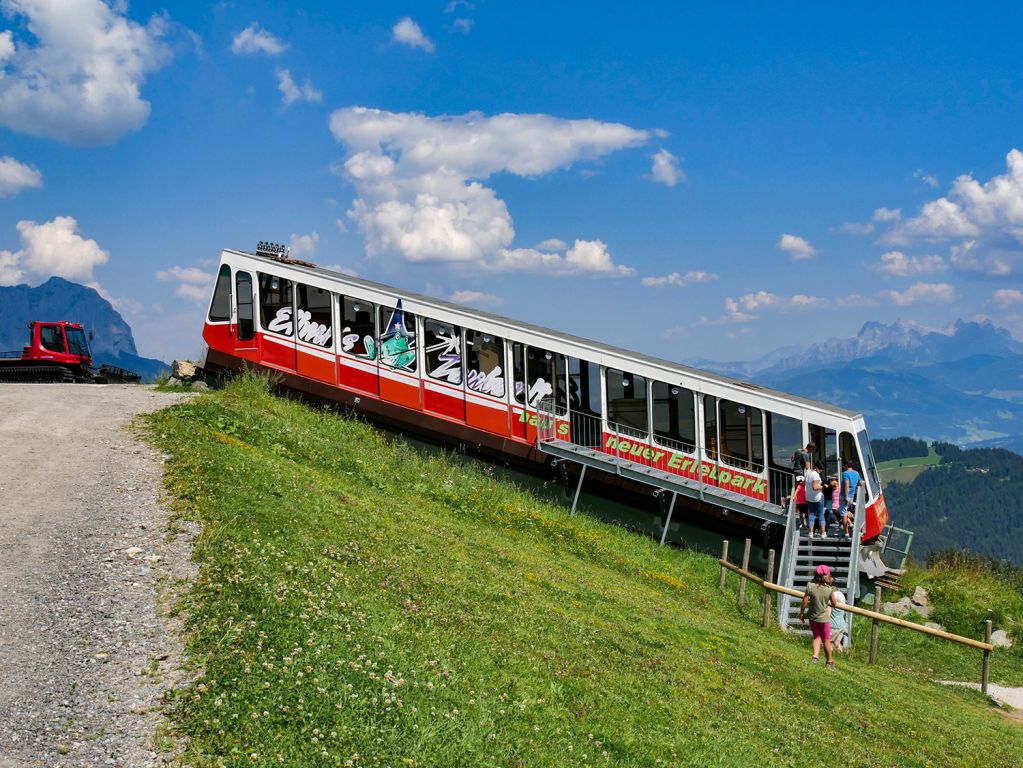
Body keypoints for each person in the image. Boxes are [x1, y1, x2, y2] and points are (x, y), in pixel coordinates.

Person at [800, 564, 839, 668]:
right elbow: (834, 604)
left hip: (812, 617)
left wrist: (802, 613)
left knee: (816, 637)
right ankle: (829, 662)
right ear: (826, 576)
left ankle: (815, 657)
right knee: (826, 640)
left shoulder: (810, 586)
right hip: (824, 619)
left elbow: (804, 601)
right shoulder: (829, 589)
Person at [804, 461, 826, 538]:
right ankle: (823, 533)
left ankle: (810, 533)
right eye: (820, 469)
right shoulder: (816, 475)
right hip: (817, 497)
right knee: (820, 514)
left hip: (809, 497)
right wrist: (823, 486)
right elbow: (815, 487)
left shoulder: (808, 473)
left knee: (811, 514)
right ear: (816, 468)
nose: (821, 470)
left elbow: (805, 483)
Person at [829, 590, 849, 655]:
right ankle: (842, 655)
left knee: (827, 642)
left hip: (833, 626)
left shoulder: (831, 604)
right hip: (842, 627)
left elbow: (828, 614)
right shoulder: (842, 603)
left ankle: (829, 654)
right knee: (837, 642)